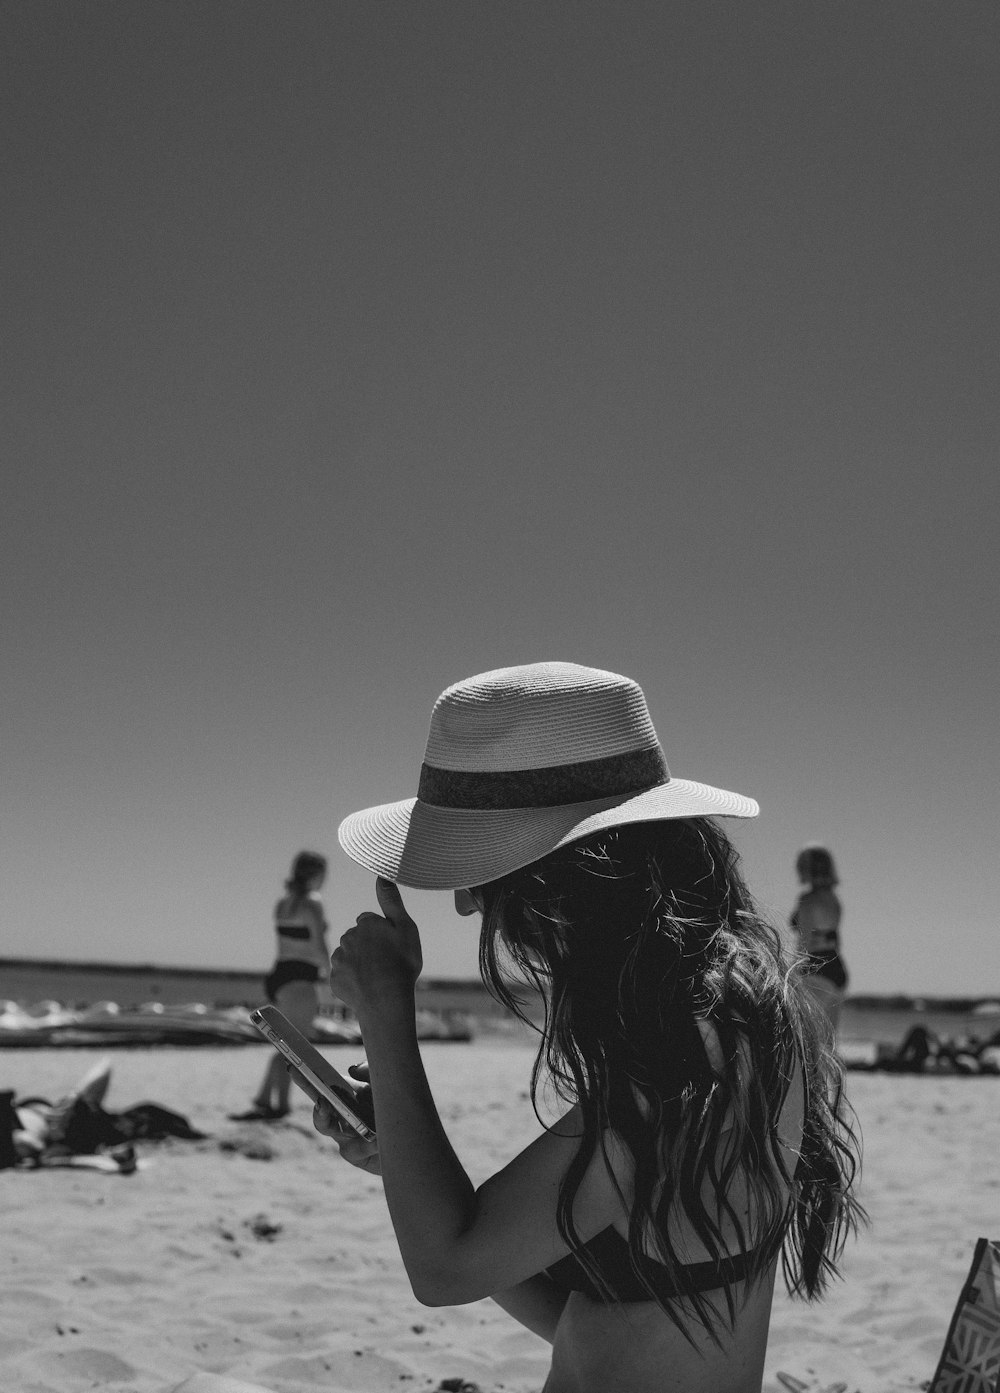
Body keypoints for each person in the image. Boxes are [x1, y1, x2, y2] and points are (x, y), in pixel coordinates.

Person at [309, 662, 864, 1393]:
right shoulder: (746, 1019)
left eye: (483, 868)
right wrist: (404, 1166)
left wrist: (386, 1012)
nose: (468, 904)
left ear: (562, 871)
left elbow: (443, 1269)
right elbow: (601, 1318)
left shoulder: (678, 1068)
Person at [230, 850, 330, 1121]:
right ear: (317, 874)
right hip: (301, 976)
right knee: (294, 1046)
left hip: (280, 975)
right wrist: (333, 977)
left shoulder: (283, 904)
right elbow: (319, 948)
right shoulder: (312, 903)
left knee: (283, 1043)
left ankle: (264, 1098)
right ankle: (282, 1106)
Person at [789, 845, 848, 1037]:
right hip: (836, 968)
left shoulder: (808, 899)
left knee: (805, 1039)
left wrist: (790, 974)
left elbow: (804, 943)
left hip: (815, 966)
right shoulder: (834, 899)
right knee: (828, 1046)